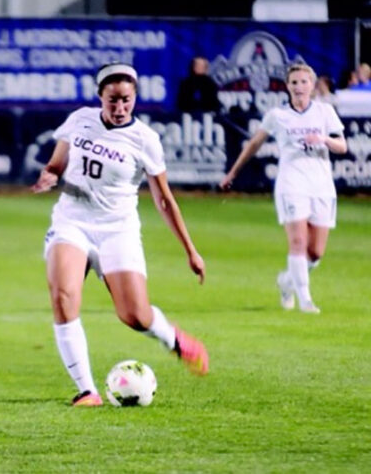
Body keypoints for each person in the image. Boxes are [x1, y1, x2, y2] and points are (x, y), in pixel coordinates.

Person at [32, 63, 209, 407]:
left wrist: (191, 250)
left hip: (118, 230)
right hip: (72, 222)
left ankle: (173, 340)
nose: (119, 108)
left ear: (135, 98)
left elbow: (163, 199)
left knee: (134, 315)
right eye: (112, 100)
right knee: (64, 297)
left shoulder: (145, 140)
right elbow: (56, 164)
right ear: (100, 97)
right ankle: (87, 390)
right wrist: (49, 176)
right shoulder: (80, 119)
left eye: (126, 100)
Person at [220, 63, 347, 314]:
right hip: (291, 183)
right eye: (294, 82)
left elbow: (342, 146)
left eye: (303, 82)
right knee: (298, 242)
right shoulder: (277, 115)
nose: (299, 87)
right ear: (287, 86)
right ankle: (306, 300)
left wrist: (323, 139)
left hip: (321, 186)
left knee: (315, 252)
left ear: (312, 85)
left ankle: (286, 282)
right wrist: (233, 172)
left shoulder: (324, 112)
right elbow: (254, 144)